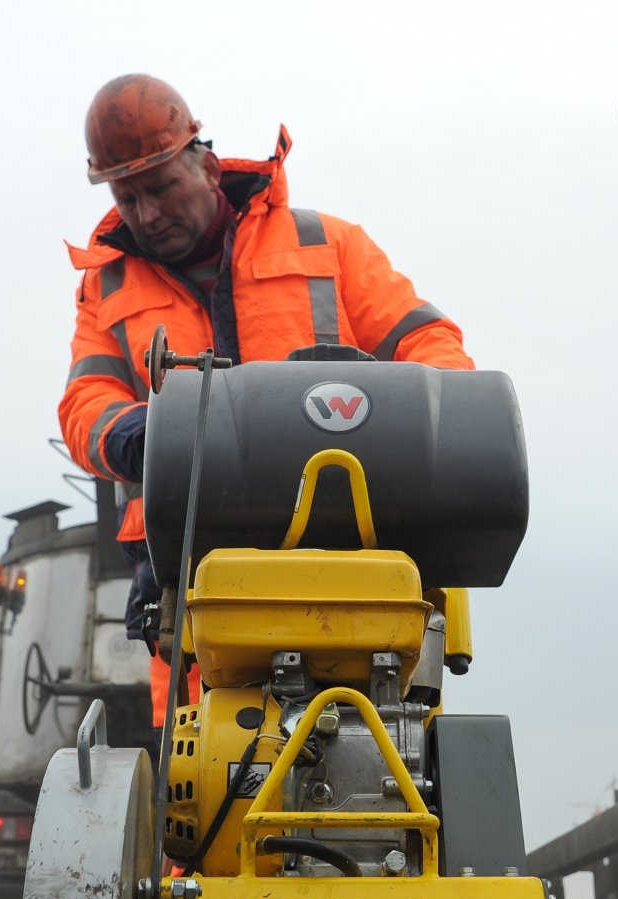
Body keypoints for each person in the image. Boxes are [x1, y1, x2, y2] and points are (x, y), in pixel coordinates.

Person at [58, 73, 473, 728]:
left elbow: (427, 341)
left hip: (351, 555)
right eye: (127, 196)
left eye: (161, 187)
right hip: (190, 574)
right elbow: (88, 398)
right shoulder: (104, 286)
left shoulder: (326, 244)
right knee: (198, 790)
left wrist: (436, 425)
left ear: (209, 165)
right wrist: (142, 436)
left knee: (386, 758)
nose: (146, 214)